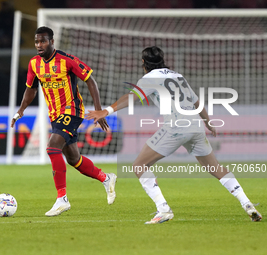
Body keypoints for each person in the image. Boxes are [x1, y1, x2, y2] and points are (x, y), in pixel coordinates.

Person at [86, 46, 262, 224]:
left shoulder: (150, 78)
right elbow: (196, 102)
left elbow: (131, 97)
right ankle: (247, 203)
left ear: (143, 63)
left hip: (176, 127)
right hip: (195, 126)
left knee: (139, 165)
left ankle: (163, 209)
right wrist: (208, 122)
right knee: (216, 168)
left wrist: (106, 111)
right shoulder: (178, 76)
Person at [11, 26, 117, 217]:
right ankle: (106, 178)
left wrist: (100, 109)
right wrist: (21, 110)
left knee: (52, 148)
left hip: (72, 110)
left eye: (43, 41)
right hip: (54, 115)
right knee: (74, 159)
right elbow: (31, 89)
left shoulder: (67, 60)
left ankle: (62, 199)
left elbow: (90, 80)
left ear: (52, 42)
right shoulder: (34, 63)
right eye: (36, 41)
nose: (39, 45)